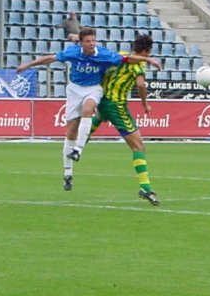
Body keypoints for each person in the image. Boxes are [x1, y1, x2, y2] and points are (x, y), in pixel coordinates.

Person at [15, 27, 162, 192]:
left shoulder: (108, 54)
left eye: (93, 41)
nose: (92, 44)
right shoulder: (76, 53)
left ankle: (78, 149)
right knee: (134, 145)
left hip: (97, 92)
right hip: (94, 96)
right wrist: (27, 65)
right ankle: (69, 172)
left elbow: (126, 58)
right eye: (88, 41)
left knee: (90, 111)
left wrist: (149, 61)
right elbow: (51, 58)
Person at [85, 34, 160, 205]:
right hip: (116, 105)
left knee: (100, 116)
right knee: (138, 146)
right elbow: (140, 85)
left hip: (104, 101)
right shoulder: (138, 63)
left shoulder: (121, 55)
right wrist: (145, 104)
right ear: (145, 52)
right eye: (148, 53)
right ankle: (145, 188)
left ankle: (79, 144)